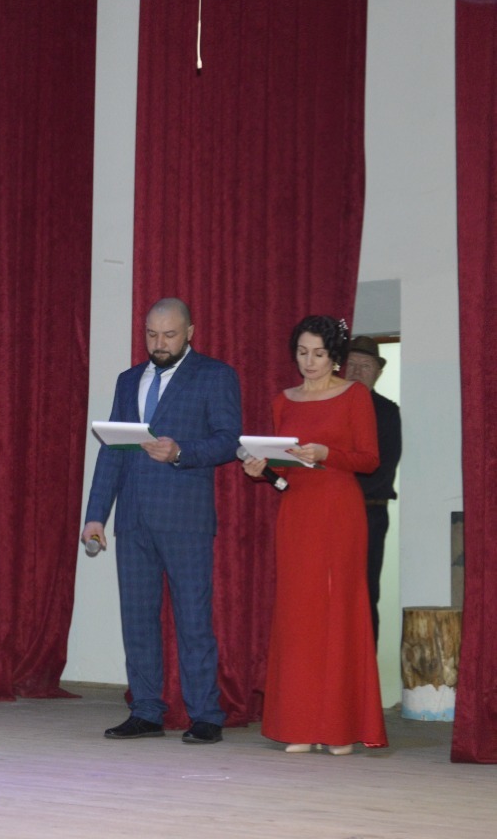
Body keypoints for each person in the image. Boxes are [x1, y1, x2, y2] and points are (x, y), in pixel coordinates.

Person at [82, 297, 242, 745]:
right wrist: (96, 516)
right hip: (133, 519)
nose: (160, 343)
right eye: (152, 335)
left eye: (169, 335)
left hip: (185, 518)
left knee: (193, 621)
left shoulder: (215, 375)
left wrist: (180, 452)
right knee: (137, 620)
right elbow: (113, 450)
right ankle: (146, 711)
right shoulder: (128, 380)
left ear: (189, 332)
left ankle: (205, 714)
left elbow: (229, 441)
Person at [241, 316, 387, 755]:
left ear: (334, 356)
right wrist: (261, 469)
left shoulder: (354, 395)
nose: (309, 362)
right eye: (303, 353)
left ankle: (339, 726)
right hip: (297, 511)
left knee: (339, 611)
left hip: (340, 510)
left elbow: (369, 459)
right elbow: (282, 469)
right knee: (299, 616)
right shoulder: (282, 400)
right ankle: (300, 724)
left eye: (319, 354)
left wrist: (328, 453)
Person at [342, 335, 401, 644]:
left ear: (378, 372)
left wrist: (339, 487)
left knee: (364, 594)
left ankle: (366, 670)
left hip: (369, 514)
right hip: (329, 514)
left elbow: (382, 469)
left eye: (365, 366)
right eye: (351, 364)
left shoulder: (387, 413)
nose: (357, 371)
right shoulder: (329, 407)